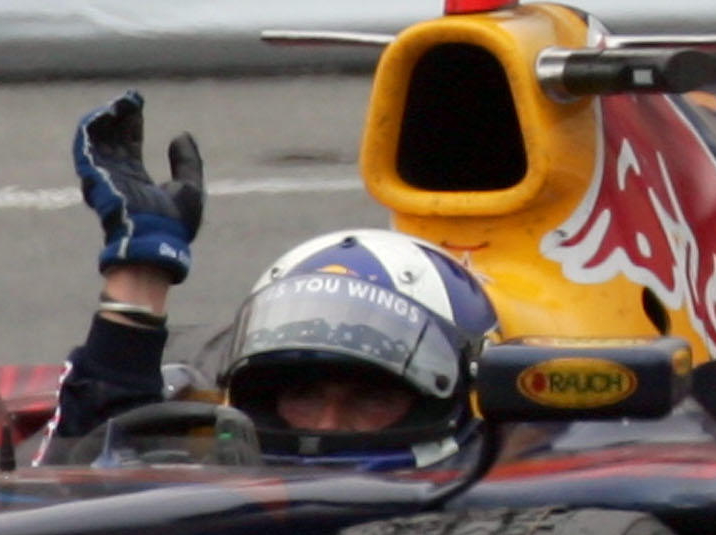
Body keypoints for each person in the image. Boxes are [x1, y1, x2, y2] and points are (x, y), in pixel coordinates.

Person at [56, 91, 494, 464]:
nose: (327, 426)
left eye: (372, 400)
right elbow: (87, 467)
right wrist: (141, 273)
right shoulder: (214, 491)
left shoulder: (520, 513)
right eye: (305, 397)